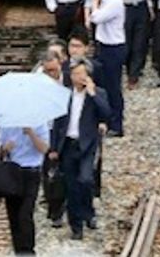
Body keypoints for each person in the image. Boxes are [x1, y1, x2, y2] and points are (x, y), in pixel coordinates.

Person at [49, 57, 111, 240]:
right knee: (71, 186)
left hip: (87, 144)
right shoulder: (65, 94)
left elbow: (107, 113)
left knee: (85, 179)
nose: (78, 77)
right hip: (68, 144)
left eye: (82, 74)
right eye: (75, 74)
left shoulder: (98, 93)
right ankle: (76, 226)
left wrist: (92, 93)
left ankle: (88, 212)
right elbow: (57, 123)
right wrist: (53, 148)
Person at [0, 124, 50, 255]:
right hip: (12, 171)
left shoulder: (40, 123)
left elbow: (44, 149)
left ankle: (28, 250)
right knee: (13, 214)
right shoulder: (6, 124)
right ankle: (18, 250)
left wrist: (32, 134)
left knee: (25, 214)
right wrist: (5, 148)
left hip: (31, 172)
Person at [89, 0, 126, 137]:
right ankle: (106, 120)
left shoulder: (114, 1)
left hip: (113, 48)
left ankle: (117, 125)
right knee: (102, 85)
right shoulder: (109, 0)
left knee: (113, 87)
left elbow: (95, 18)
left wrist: (94, 2)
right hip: (103, 46)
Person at [116, 0, 153, 89]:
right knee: (127, 42)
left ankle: (134, 76)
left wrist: (150, 8)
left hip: (141, 6)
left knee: (140, 43)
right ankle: (126, 68)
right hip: (125, 7)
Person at [36, 51, 67, 228]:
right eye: (47, 71)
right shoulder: (38, 83)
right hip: (47, 132)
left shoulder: (69, 80)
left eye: (53, 70)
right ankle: (55, 210)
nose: (51, 75)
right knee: (50, 174)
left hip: (66, 132)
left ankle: (63, 205)